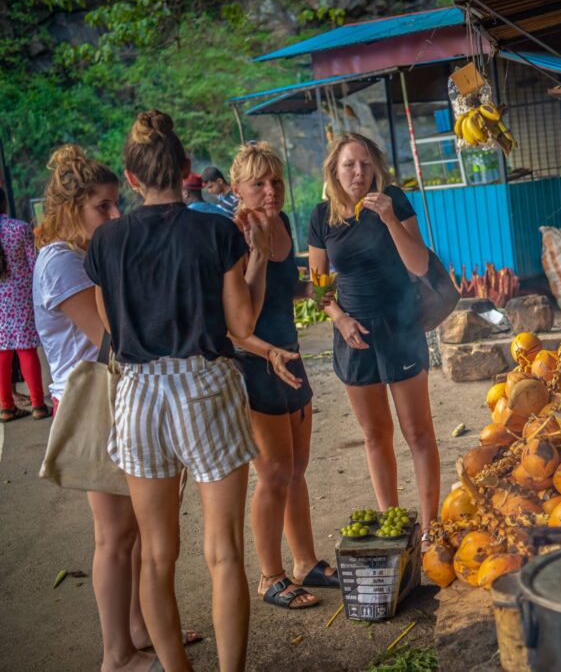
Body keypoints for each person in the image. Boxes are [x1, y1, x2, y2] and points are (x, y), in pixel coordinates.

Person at [85, 110, 286, 672]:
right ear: (186, 168)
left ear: (130, 179)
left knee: (155, 554)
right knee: (223, 554)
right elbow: (241, 326)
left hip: (139, 394)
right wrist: (258, 255)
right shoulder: (215, 230)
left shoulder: (106, 240)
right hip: (205, 387)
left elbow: (110, 328)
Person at [33, 144, 204, 671]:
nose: (114, 214)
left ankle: (137, 628)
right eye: (102, 207)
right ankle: (116, 656)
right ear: (71, 210)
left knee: (130, 531)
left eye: (114, 204)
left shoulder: (87, 253)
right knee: (112, 535)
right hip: (92, 397)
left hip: (116, 391)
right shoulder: (60, 261)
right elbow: (108, 336)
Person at [307, 133, 441, 530]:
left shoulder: (395, 201)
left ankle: (431, 527)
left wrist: (388, 219)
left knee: (418, 433)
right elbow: (319, 288)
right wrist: (340, 318)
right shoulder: (321, 217)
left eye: (366, 164)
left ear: (376, 168)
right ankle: (393, 524)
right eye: (350, 164)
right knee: (375, 435)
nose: (359, 173)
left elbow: (420, 266)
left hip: (401, 327)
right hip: (355, 335)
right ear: (335, 170)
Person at [228, 141, 339, 611]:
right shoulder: (231, 236)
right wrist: (254, 253)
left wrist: (322, 289)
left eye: (275, 181)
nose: (271, 191)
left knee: (296, 468)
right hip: (256, 363)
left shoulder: (284, 223)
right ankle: (270, 577)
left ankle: (305, 562)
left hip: (289, 355)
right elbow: (240, 324)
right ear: (238, 189)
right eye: (259, 184)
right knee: (272, 473)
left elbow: (286, 288)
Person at [1, 186, 49, 421]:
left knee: (2, 353)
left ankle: (6, 406)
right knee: (26, 349)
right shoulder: (19, 229)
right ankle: (39, 405)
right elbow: (34, 265)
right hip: (20, 296)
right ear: (4, 205)